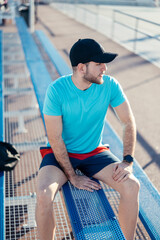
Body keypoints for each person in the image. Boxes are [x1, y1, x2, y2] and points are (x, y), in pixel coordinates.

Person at [36, 38, 140, 240]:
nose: (105, 68)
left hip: (94, 152)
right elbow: (55, 138)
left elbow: (128, 121)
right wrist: (72, 176)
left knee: (132, 185)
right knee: (43, 195)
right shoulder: (56, 91)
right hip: (60, 153)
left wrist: (127, 161)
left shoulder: (109, 85)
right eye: (99, 63)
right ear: (82, 68)